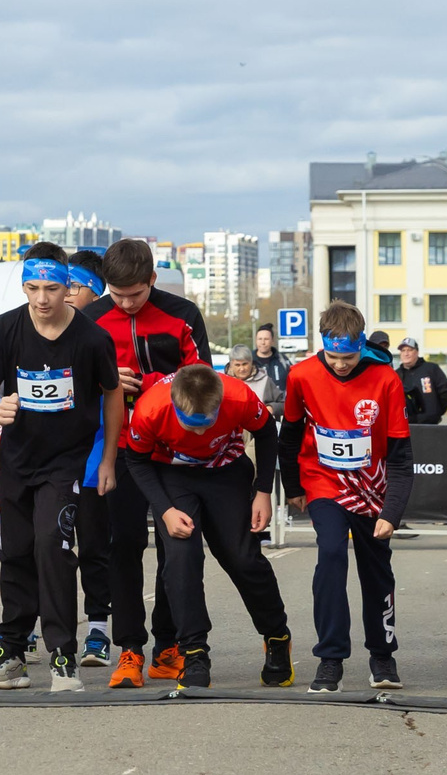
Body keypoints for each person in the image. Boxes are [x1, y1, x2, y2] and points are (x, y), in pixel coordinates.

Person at [0, 247, 120, 691]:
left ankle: (62, 657)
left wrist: (108, 458)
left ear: (68, 286)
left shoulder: (92, 338)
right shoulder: (5, 328)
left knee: (51, 548)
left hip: (66, 462)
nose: (41, 299)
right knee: (14, 552)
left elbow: (113, 396)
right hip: (18, 459)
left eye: (52, 289)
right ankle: (13, 653)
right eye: (33, 288)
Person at [120, 363, 290, 689]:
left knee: (241, 559)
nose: (199, 432)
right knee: (182, 559)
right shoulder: (150, 407)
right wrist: (165, 510)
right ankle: (194, 652)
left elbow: (267, 434)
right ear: (174, 404)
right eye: (191, 424)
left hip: (225, 471)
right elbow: (136, 461)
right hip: (172, 474)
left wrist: (263, 492)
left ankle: (277, 636)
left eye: (206, 423)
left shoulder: (239, 396)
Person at [280, 301, 412, 692]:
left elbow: (402, 455)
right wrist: (293, 488)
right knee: (332, 554)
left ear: (362, 345)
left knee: (376, 571)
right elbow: (288, 436)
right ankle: (330, 658)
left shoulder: (385, 379)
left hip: (372, 488)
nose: (341, 364)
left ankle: (382, 655)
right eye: (334, 356)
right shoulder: (301, 375)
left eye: (349, 356)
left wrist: (393, 511)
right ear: (322, 346)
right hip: (324, 483)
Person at [94, 238, 202, 687]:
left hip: (171, 451)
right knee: (123, 546)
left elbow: (202, 378)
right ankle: (129, 649)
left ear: (152, 281)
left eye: (134, 295)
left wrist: (154, 383)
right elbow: (77, 382)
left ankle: (167, 643)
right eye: (116, 295)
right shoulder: (91, 318)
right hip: (118, 451)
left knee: (173, 549)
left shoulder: (183, 314)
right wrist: (106, 381)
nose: (125, 303)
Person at [64, 252, 116, 662]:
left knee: (95, 548)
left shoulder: (100, 337)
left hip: (93, 460)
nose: (64, 294)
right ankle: (29, 630)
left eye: (74, 287)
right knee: (40, 551)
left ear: (95, 294)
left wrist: (104, 462)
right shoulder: (36, 330)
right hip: (45, 464)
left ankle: (97, 630)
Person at [395, 338, 447, 424]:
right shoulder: (396, 374)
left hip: (430, 425)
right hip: (406, 426)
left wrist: (435, 413)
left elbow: (446, 394)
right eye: (403, 350)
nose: (406, 354)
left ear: (417, 352)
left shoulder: (431, 369)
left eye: (410, 350)